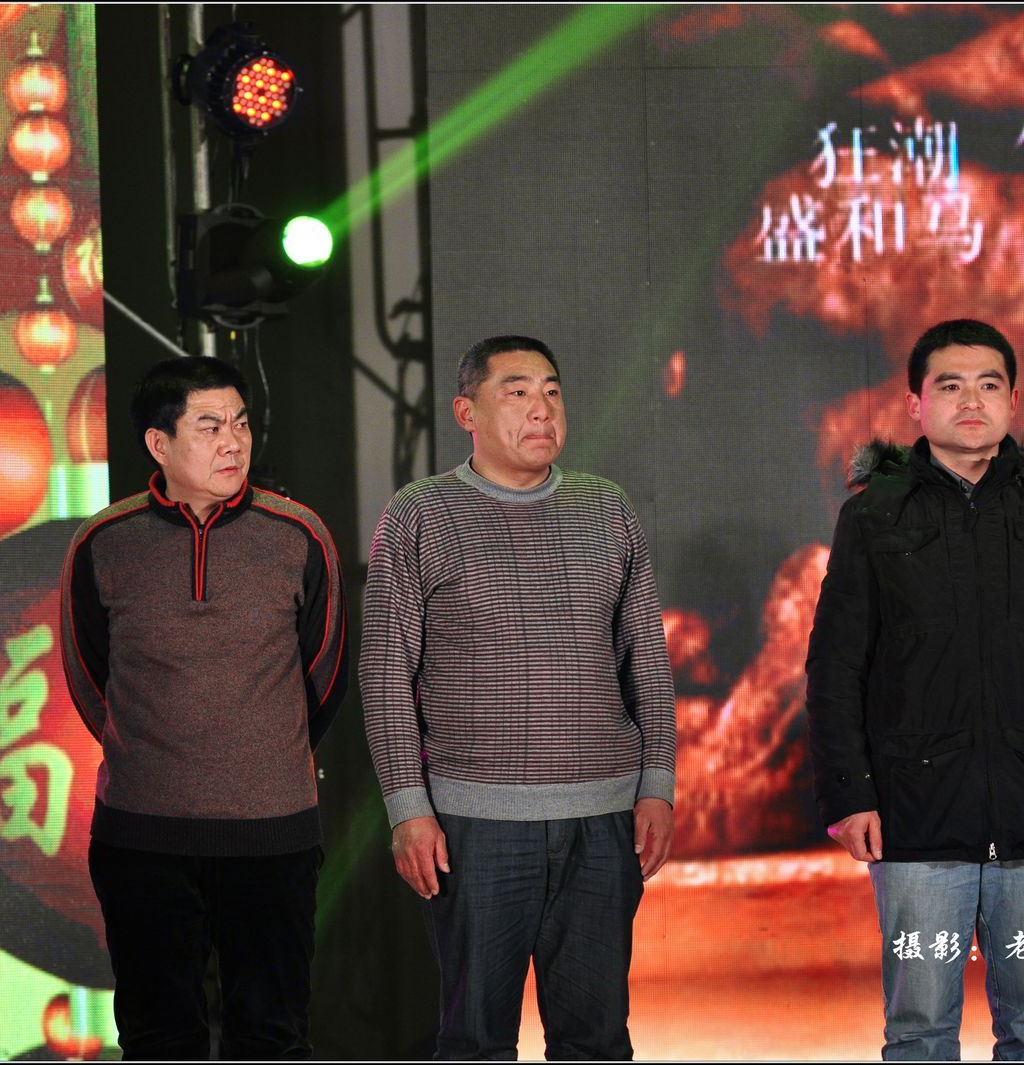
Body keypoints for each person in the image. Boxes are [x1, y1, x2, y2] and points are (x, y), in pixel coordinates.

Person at [805, 318, 1024, 1060]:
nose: (971, 400)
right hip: (916, 813)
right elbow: (836, 667)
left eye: (989, 384)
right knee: (919, 1028)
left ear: (1014, 399)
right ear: (916, 404)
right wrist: (849, 793)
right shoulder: (874, 513)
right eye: (949, 385)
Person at [360, 334, 676, 1060]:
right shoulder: (421, 514)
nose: (542, 409)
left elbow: (648, 663)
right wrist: (407, 808)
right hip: (473, 825)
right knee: (475, 1040)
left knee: (597, 1040)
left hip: (603, 821)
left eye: (553, 392)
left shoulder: (608, 509)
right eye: (518, 392)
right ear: (465, 411)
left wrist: (657, 785)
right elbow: (385, 672)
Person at [59, 355, 347, 1060]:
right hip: (142, 837)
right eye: (210, 426)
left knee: (273, 1036)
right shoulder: (104, 542)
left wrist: (261, 754)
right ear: (159, 444)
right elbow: (89, 677)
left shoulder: (299, 534)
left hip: (271, 833)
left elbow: (326, 673)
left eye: (241, 423)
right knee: (158, 1037)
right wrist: (153, 752)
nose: (233, 442)